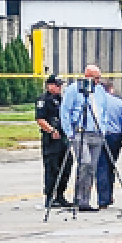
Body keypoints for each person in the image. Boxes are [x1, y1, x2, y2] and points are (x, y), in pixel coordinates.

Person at [59, 64, 110, 212]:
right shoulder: (73, 90)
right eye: (96, 78)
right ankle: (78, 197)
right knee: (85, 163)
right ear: (87, 76)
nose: (98, 81)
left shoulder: (100, 90)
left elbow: (103, 110)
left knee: (92, 168)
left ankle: (85, 201)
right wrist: (69, 132)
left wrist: (104, 128)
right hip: (80, 132)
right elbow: (65, 111)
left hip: (97, 132)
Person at [94, 79, 122, 209]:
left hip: (98, 135)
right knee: (111, 165)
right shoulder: (119, 103)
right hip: (115, 137)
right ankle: (108, 195)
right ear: (111, 89)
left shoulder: (95, 102)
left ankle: (103, 198)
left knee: (101, 167)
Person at [34, 74, 71, 208]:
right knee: (52, 169)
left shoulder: (62, 100)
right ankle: (50, 197)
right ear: (49, 85)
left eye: (60, 85)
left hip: (63, 139)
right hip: (51, 140)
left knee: (66, 167)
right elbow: (40, 119)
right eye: (57, 85)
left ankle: (60, 196)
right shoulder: (43, 100)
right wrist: (51, 130)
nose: (59, 87)